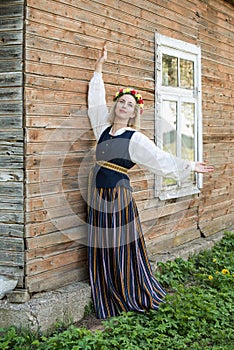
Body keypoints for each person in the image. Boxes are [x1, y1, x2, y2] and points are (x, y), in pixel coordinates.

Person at [87, 44, 214, 320]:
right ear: (116, 105)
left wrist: (190, 165)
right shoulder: (103, 128)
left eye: (129, 105)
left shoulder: (135, 138)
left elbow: (161, 159)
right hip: (98, 196)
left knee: (119, 244)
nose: (124, 106)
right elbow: (95, 100)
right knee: (103, 241)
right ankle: (107, 285)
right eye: (121, 102)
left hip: (118, 196)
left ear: (134, 112)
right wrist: (99, 66)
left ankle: (126, 289)